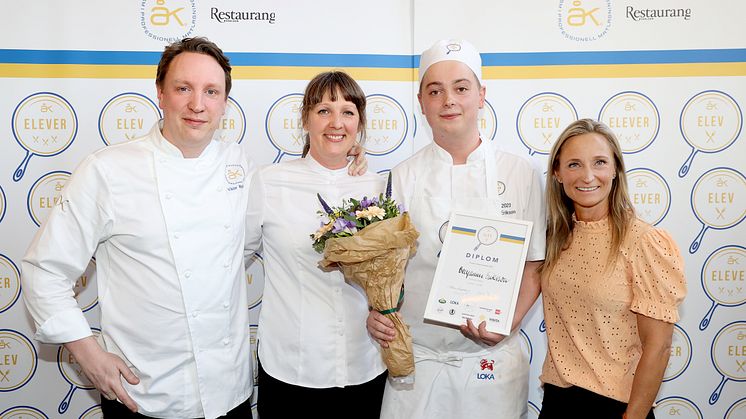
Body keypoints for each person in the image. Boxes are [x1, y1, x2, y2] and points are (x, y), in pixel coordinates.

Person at [21, 37, 366, 418]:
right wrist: (89, 355)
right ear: (160, 93)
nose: (197, 104)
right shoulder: (108, 170)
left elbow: (295, 204)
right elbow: (45, 272)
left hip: (229, 395)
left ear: (224, 102)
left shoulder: (240, 166)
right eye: (183, 88)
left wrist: (344, 167)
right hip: (143, 393)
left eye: (211, 91)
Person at [366, 40, 547, 419]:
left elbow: (535, 266)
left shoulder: (521, 173)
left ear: (481, 96)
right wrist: (377, 311)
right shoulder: (401, 177)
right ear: (421, 102)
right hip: (419, 363)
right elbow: (385, 269)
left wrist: (507, 325)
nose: (449, 100)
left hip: (491, 364)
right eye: (435, 91)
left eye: (461, 88)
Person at [244, 71, 387, 418]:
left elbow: (393, 271)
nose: (336, 122)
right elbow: (234, 255)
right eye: (324, 110)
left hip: (364, 364)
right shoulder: (269, 182)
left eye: (348, 112)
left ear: (360, 123)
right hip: (292, 367)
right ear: (306, 118)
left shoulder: (380, 186)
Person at [538, 119, 686, 419]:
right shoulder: (554, 238)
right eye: (574, 164)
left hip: (616, 407)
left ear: (616, 169)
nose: (588, 176)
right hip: (556, 403)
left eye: (600, 162)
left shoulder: (643, 242)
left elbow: (658, 347)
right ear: (557, 173)